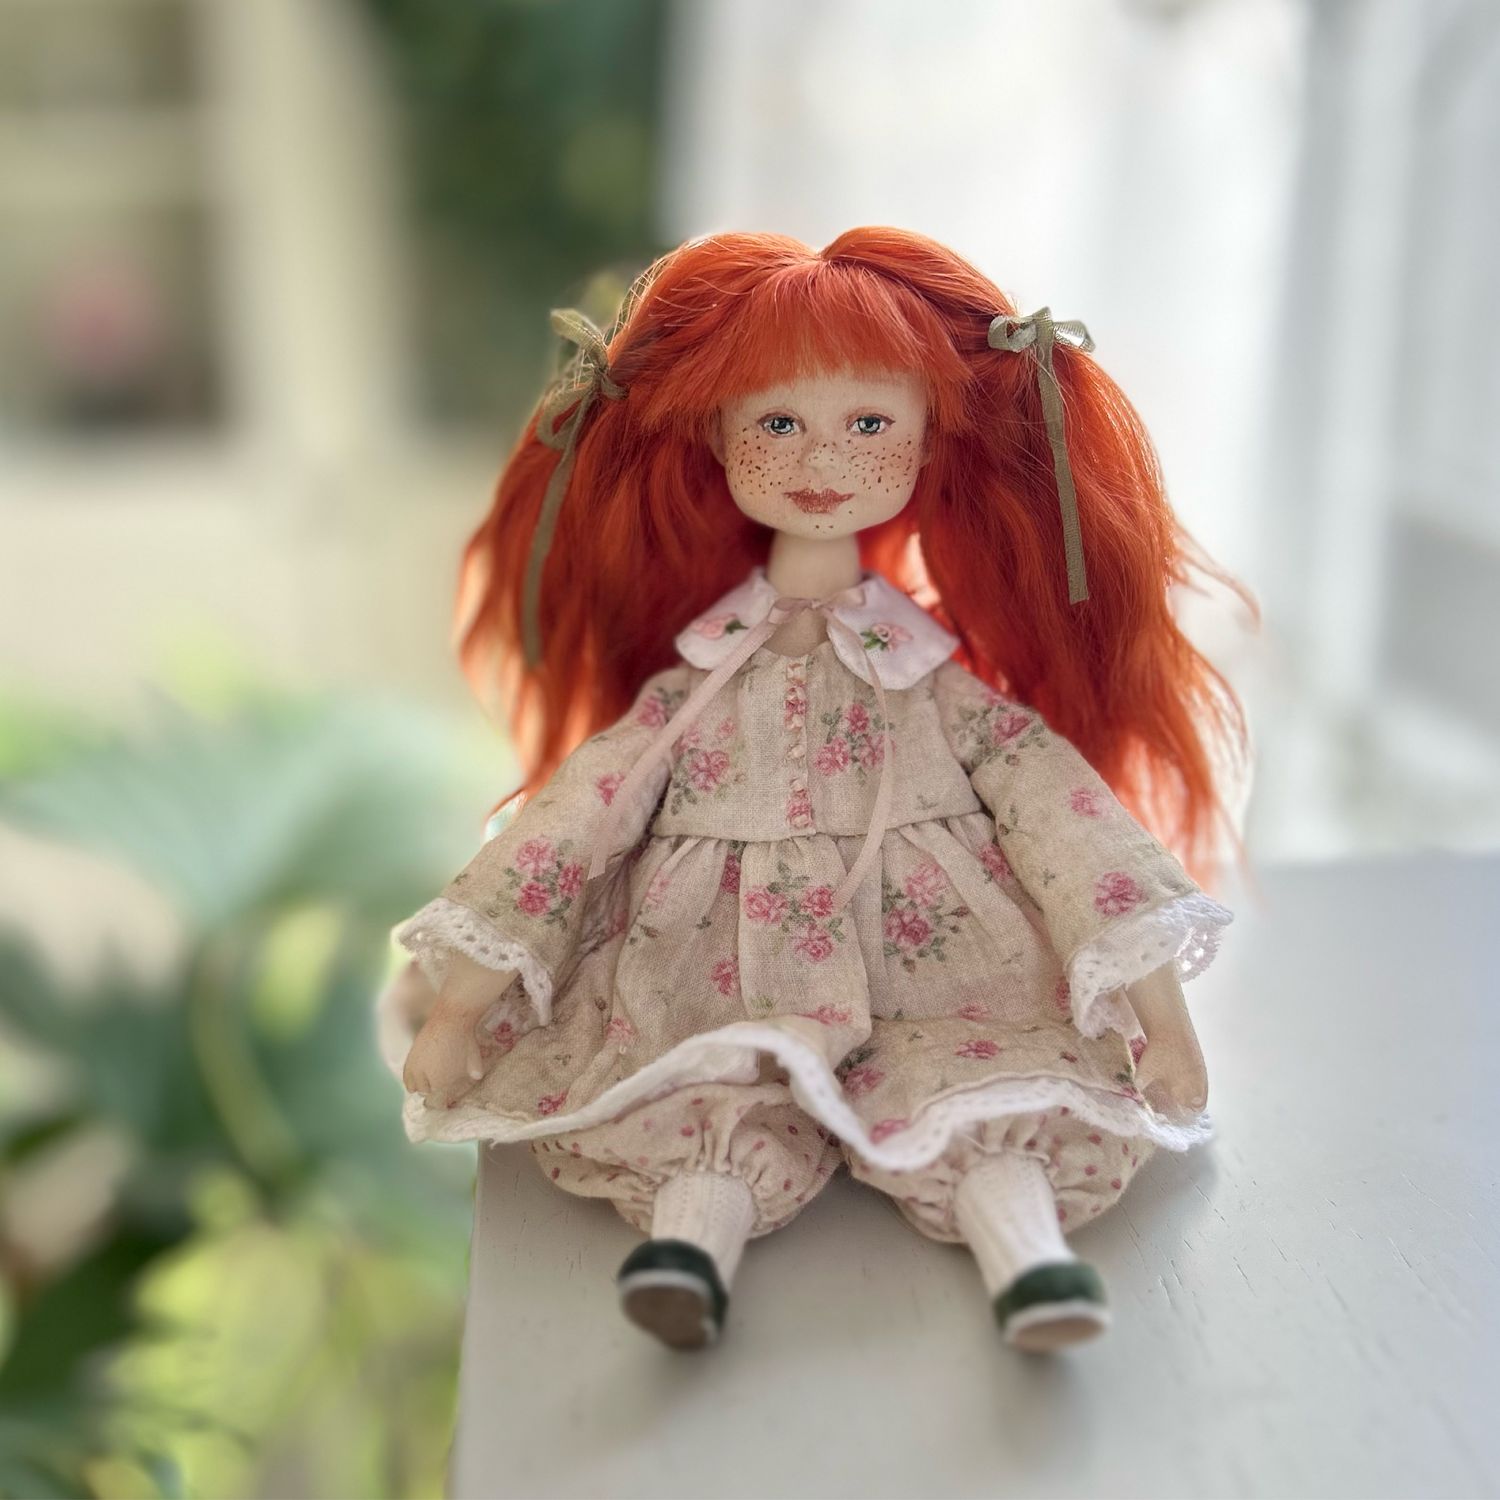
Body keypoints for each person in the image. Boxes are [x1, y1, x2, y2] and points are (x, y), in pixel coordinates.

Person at [380, 228, 1246, 1353]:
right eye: (778, 423)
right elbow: (575, 824)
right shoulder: (698, 683)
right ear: (718, 437)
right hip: (717, 960)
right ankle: (689, 1251)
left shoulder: (932, 683)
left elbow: (1064, 822)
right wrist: (461, 1005)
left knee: (985, 1080)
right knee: (705, 1083)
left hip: (943, 965)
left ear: (928, 440)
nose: (821, 456)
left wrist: (1163, 1019)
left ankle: (1031, 1260)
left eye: (870, 423)